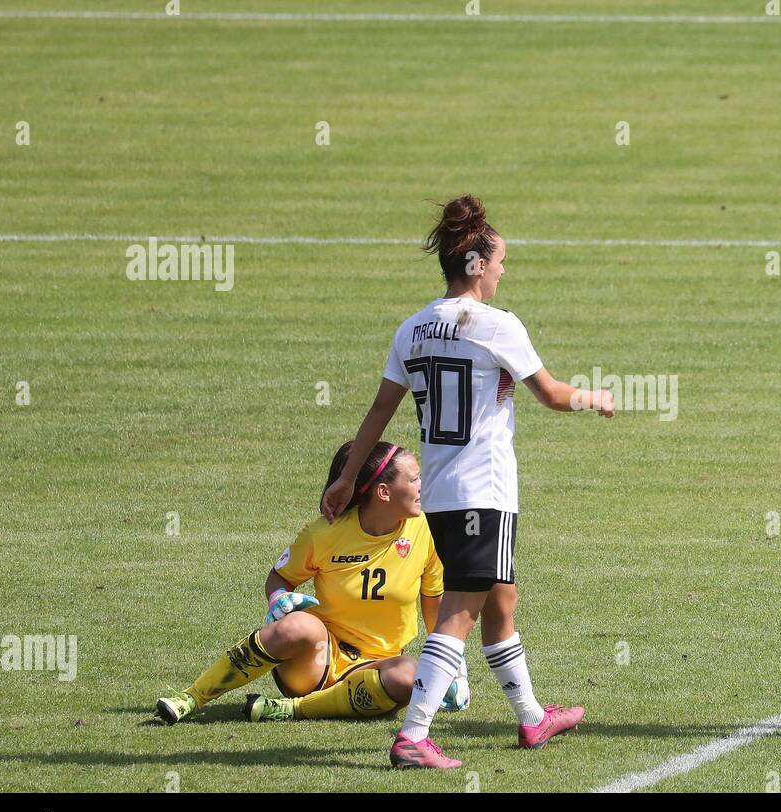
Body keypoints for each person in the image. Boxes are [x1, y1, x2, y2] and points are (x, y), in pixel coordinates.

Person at [321, 194, 614, 769]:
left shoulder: (412, 329)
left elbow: (380, 412)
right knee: (461, 610)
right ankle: (414, 736)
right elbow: (552, 395)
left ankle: (532, 718)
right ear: (476, 265)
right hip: (484, 489)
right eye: (500, 260)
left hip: (439, 494)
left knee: (500, 602)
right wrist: (595, 398)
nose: (504, 270)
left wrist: (348, 477)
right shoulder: (496, 326)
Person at [153, 441, 467, 724]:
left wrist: (452, 666)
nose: (422, 486)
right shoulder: (324, 534)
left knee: (410, 673)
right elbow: (280, 577)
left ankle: (291, 709)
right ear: (384, 492)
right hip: (316, 660)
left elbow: (434, 603)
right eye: (414, 479)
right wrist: (278, 598)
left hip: (376, 671)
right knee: (298, 625)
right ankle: (191, 698)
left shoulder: (426, 531)